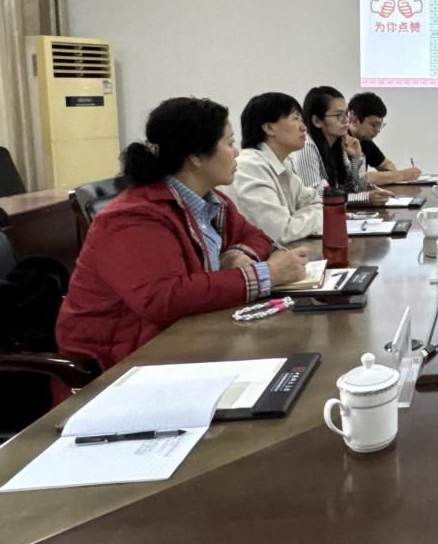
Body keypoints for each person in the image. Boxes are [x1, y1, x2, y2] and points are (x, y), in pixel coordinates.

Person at [56, 97, 309, 376]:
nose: (236, 153)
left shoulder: (212, 201)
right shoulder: (133, 217)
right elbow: (163, 298)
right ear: (196, 157)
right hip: (119, 364)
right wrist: (267, 275)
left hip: (186, 339)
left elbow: (257, 237)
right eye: (229, 143)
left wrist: (237, 254)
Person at [226, 93, 389, 244]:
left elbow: (317, 200)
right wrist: (323, 216)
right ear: (269, 128)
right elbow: (280, 232)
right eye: (296, 119)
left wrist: (357, 158)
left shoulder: (283, 163)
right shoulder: (252, 167)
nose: (303, 127)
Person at [289, 86, 370, 193]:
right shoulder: (306, 146)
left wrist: (357, 157)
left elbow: (360, 189)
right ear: (317, 121)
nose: (346, 120)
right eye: (338, 115)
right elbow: (315, 197)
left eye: (346, 113)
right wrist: (365, 197)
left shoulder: (338, 143)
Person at [346, 92, 422, 185]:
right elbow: (357, 178)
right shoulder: (341, 140)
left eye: (380, 125)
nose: (378, 130)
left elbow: (387, 165)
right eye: (373, 125)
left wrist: (391, 176)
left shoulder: (365, 141)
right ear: (354, 119)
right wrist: (402, 175)